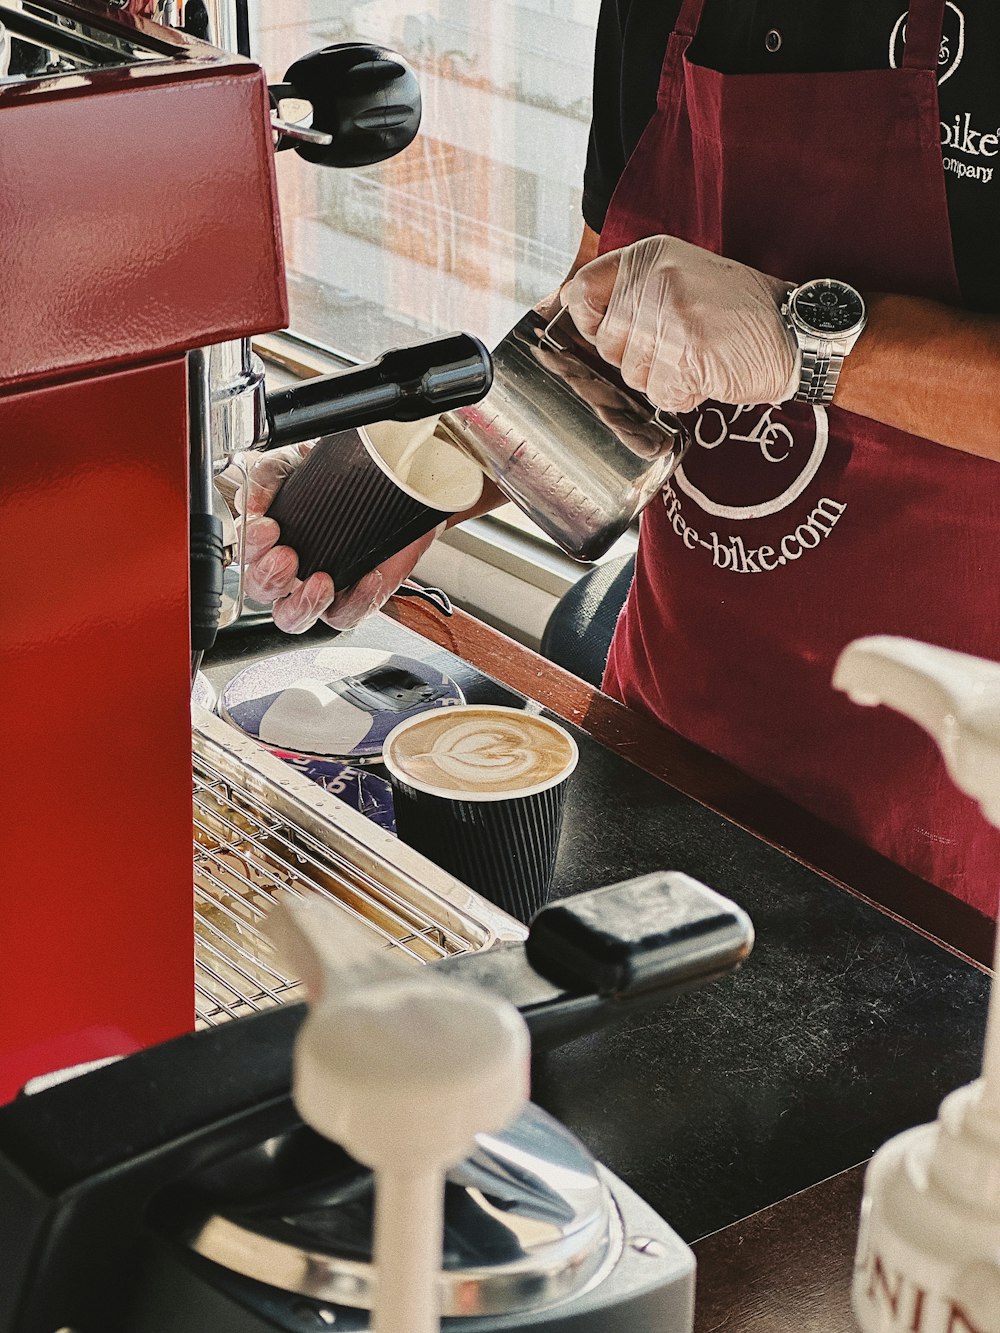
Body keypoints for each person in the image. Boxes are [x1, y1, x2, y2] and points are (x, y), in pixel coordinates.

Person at [244, 0, 1000, 917]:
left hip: (952, 813)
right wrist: (412, 477)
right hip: (668, 743)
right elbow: (605, 322)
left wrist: (801, 340)